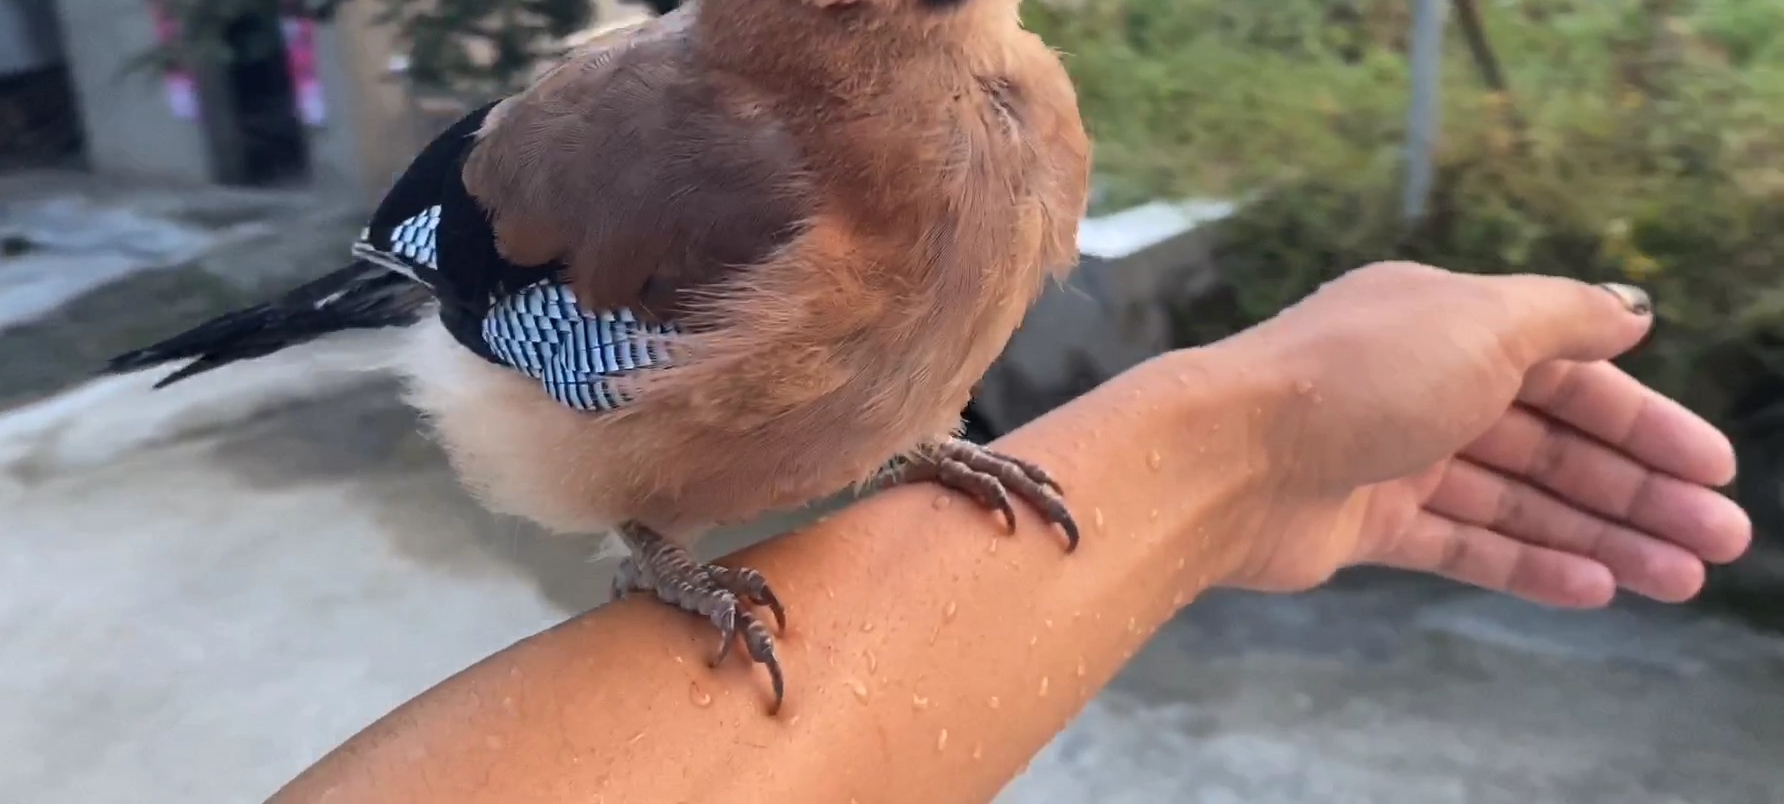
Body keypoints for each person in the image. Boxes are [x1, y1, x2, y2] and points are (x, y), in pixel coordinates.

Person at [267, 263, 1752, 804]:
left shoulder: (1004, 130)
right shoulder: (752, 168)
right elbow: (557, 355)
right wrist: (657, 548)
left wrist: (1242, 444)